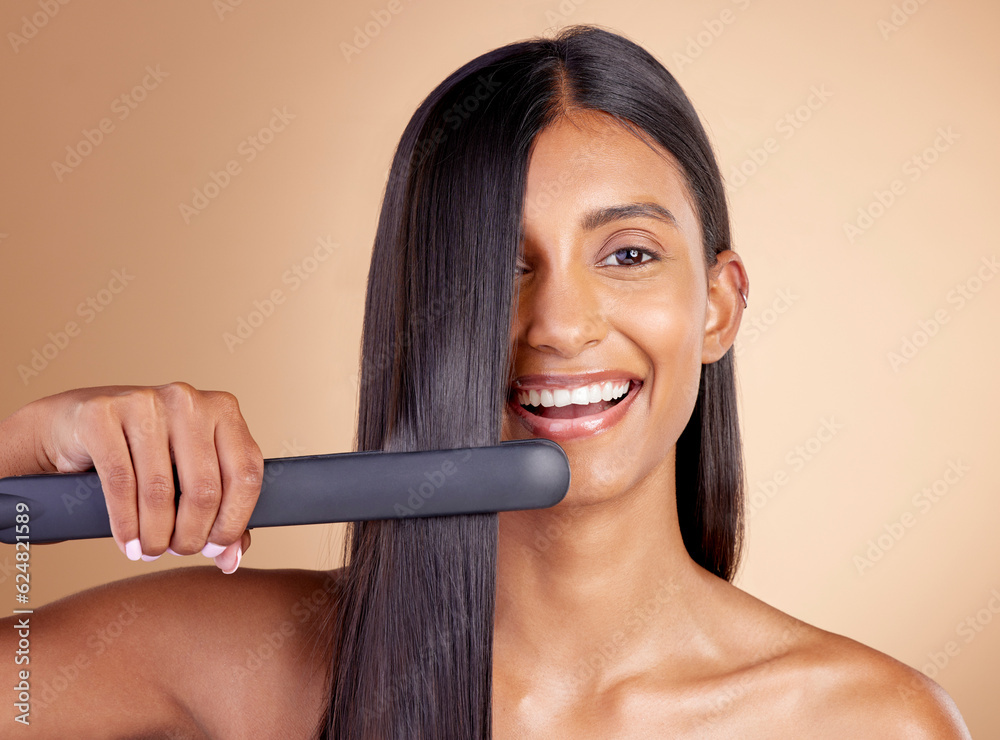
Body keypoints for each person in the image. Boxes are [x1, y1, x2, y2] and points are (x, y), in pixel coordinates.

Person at [0, 25, 970, 739]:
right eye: (496, 265)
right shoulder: (230, 661)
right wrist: (32, 443)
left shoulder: (870, 719)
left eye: (627, 252)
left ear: (716, 307)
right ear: (415, 315)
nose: (559, 323)